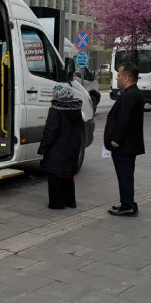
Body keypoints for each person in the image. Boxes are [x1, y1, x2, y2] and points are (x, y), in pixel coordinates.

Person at [104, 62, 145, 217]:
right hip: (127, 143)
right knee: (124, 174)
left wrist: (116, 139)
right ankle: (127, 202)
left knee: (125, 175)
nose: (117, 78)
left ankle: (127, 205)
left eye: (119, 75)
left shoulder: (131, 95)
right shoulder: (131, 93)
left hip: (124, 144)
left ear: (127, 78)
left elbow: (125, 119)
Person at [38, 82, 84, 210]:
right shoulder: (76, 109)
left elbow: (50, 131)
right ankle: (70, 201)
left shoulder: (56, 110)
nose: (52, 94)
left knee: (55, 174)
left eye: (54, 92)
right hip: (72, 148)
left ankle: (56, 203)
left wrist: (43, 147)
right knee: (67, 174)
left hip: (57, 149)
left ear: (59, 94)